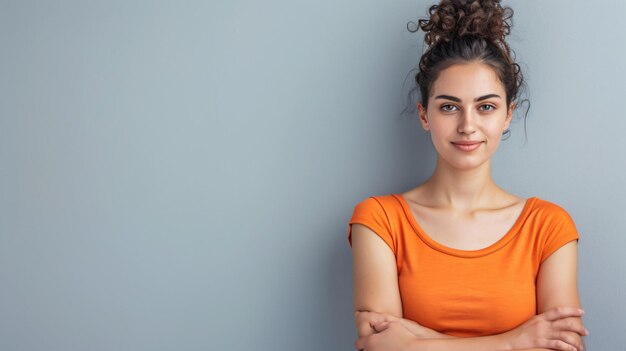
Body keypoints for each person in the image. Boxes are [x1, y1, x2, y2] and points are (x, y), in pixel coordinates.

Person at [347, 1, 588, 350]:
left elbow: (561, 346)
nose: (467, 125)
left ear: (508, 115)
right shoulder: (380, 220)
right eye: (449, 106)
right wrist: (512, 342)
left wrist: (414, 340)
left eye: (486, 106)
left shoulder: (548, 226)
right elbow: (378, 346)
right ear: (424, 114)